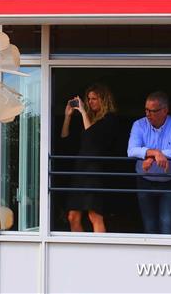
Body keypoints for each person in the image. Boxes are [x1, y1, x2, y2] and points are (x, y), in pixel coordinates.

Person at [60, 83, 120, 233]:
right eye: (89, 99)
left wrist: (82, 113)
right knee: (72, 216)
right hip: (80, 172)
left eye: (94, 98)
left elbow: (92, 139)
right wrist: (68, 116)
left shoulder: (109, 120)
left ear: (104, 100)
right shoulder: (87, 118)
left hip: (96, 172)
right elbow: (65, 140)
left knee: (95, 215)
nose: (90, 102)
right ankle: (79, 254)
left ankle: (100, 254)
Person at [127, 91, 171, 235]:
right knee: (149, 225)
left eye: (153, 111)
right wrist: (155, 153)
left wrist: (153, 155)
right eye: (146, 110)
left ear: (165, 110)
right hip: (144, 181)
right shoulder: (139, 124)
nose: (148, 114)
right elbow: (131, 151)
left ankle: (169, 258)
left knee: (166, 221)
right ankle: (151, 258)